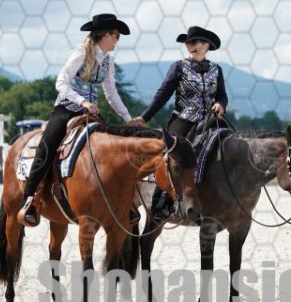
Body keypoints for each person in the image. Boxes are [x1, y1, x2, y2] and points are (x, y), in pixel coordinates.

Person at [18, 13, 137, 227]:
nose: (118, 40)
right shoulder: (80, 53)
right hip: (66, 109)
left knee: (112, 150)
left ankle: (122, 203)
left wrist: (128, 118)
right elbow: (60, 82)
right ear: (106, 35)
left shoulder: (108, 61)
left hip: (91, 114)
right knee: (47, 146)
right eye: (117, 36)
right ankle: (30, 199)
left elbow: (111, 93)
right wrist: (82, 101)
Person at [131, 26, 228, 220]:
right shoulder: (179, 67)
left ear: (206, 45)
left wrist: (220, 104)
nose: (190, 45)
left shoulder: (217, 70)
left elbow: (222, 95)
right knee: (170, 155)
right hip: (183, 119)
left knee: (227, 147)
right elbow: (162, 94)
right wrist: (144, 117)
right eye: (188, 42)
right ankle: (161, 201)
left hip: (210, 120)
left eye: (195, 42)